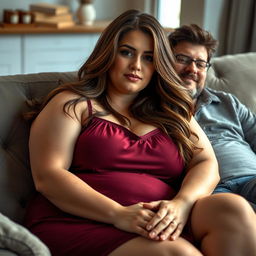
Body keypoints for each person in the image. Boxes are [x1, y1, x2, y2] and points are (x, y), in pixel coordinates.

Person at [24, 10, 256, 256]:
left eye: (148, 57)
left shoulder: (171, 109)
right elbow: (48, 175)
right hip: (84, 218)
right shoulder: (73, 103)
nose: (136, 66)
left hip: (161, 217)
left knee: (233, 209)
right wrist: (118, 214)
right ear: (108, 53)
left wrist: (182, 204)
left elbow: (205, 161)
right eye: (127, 52)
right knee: (178, 253)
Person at [168, 24, 256, 211]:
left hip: (251, 179)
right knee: (234, 212)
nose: (192, 69)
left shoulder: (227, 102)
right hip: (209, 192)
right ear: (165, 61)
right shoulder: (151, 109)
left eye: (200, 64)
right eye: (183, 59)